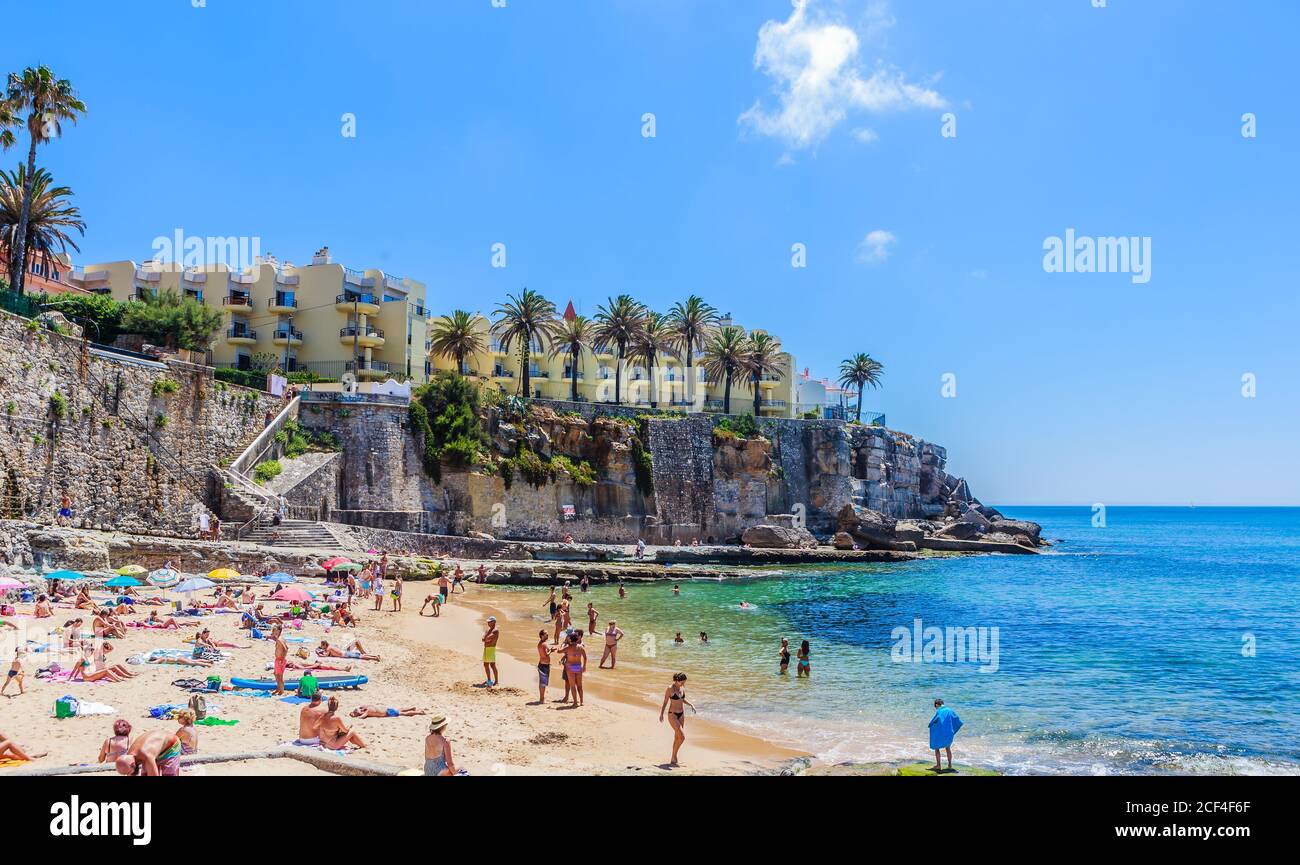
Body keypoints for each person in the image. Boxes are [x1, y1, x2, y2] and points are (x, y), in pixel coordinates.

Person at [658, 672, 695, 767]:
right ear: (677, 680)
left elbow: (682, 700)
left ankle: (673, 758)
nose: (683, 684)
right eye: (682, 682)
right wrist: (661, 714)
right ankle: (674, 756)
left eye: (684, 682)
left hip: (681, 714)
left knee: (677, 737)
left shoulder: (682, 688)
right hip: (672, 714)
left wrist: (691, 704)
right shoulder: (670, 688)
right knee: (682, 737)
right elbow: (665, 702)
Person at [115, 729, 184, 776]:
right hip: (156, 746)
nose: (129, 775)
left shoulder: (146, 756)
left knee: (169, 774)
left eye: (128, 773)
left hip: (171, 745)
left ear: (133, 764)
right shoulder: (130, 756)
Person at [928, 699, 964, 772]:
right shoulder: (950, 710)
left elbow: (935, 720)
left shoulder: (940, 711)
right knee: (948, 748)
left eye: (935, 706)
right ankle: (950, 765)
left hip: (941, 733)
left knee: (937, 748)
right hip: (949, 733)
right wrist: (953, 729)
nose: (936, 708)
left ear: (937, 704)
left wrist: (930, 725)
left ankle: (938, 765)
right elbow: (957, 720)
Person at [556, 631, 587, 707]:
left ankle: (575, 702)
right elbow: (585, 658)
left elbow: (558, 651)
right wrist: (584, 666)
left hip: (570, 667)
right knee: (579, 685)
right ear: (576, 639)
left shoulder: (568, 647)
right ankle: (581, 702)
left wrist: (562, 644)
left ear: (570, 639)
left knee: (573, 686)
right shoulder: (580, 647)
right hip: (578, 666)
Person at [535, 630, 555, 704]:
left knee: (542, 683)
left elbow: (545, 653)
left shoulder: (541, 644)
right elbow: (546, 655)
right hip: (544, 665)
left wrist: (550, 650)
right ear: (542, 636)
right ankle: (542, 699)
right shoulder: (543, 644)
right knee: (543, 683)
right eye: (546, 635)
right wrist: (551, 651)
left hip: (543, 664)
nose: (547, 636)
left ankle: (542, 698)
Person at [481, 616, 499, 687]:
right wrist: (486, 639)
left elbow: (487, 638)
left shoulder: (495, 630)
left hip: (491, 649)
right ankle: (489, 680)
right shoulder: (489, 629)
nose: (488, 623)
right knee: (486, 665)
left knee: (492, 665)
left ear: (494, 622)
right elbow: (483, 638)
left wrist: (486, 639)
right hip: (487, 648)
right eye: (488, 622)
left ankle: (496, 681)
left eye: (490, 622)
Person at [271, 624, 289, 696]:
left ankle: (281, 690)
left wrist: (282, 658)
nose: (273, 631)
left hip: (280, 660)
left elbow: (285, 649)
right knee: (275, 674)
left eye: (275, 630)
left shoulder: (279, 639)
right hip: (278, 659)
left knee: (279, 676)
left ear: (278, 631)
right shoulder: (280, 638)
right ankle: (279, 688)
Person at [349, 705, 426, 718]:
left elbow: (361, 717)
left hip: (387, 713)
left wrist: (355, 716)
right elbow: (360, 708)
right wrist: (355, 712)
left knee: (402, 713)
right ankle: (412, 708)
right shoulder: (367, 707)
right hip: (387, 709)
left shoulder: (367, 711)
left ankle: (418, 712)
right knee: (399, 709)